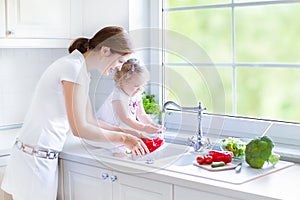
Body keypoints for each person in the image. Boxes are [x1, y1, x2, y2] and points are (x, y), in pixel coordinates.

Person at [1, 26, 149, 200]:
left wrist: (129, 132)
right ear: (105, 50)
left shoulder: (79, 69)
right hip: (34, 162)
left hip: (35, 158)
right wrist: (123, 139)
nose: (119, 68)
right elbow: (79, 128)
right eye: (120, 61)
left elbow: (89, 119)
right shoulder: (73, 69)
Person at [96, 58, 164, 135]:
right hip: (106, 130)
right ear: (122, 82)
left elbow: (141, 114)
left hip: (123, 130)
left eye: (143, 85)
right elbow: (125, 118)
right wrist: (144, 128)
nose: (140, 89)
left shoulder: (136, 94)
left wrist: (152, 125)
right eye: (136, 85)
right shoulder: (117, 96)